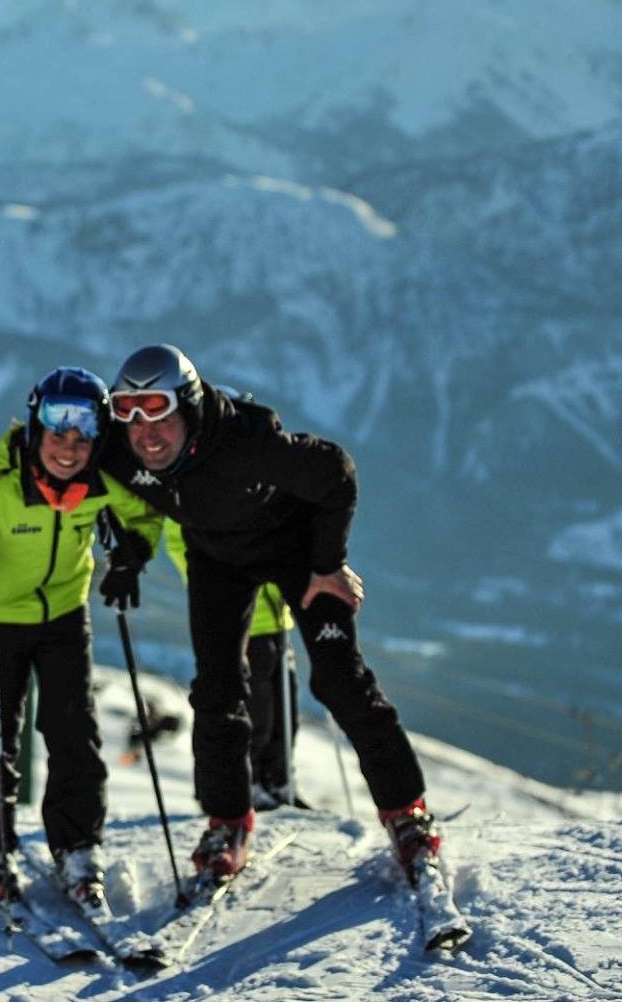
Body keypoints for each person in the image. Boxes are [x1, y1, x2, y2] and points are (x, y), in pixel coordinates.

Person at [95, 344, 440, 879]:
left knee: (339, 680)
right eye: (128, 412)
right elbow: (55, 439)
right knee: (217, 689)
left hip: (294, 551)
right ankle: (227, 823)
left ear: (188, 406)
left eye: (159, 409)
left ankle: (406, 813)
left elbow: (335, 471)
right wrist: (129, 552)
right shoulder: (119, 447)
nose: (145, 431)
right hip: (216, 559)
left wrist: (329, 563)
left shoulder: (244, 445)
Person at [0, 368, 162, 914]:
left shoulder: (103, 483)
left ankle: (77, 848)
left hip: (65, 619)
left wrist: (133, 554)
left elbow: (144, 515)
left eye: (82, 437)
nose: (68, 449)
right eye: (56, 433)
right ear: (33, 427)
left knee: (75, 735)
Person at [153, 519, 305, 811]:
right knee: (250, 708)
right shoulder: (199, 485)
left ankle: (278, 781)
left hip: (276, 618)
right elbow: (180, 540)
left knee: (283, 708)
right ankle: (244, 785)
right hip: (236, 619)